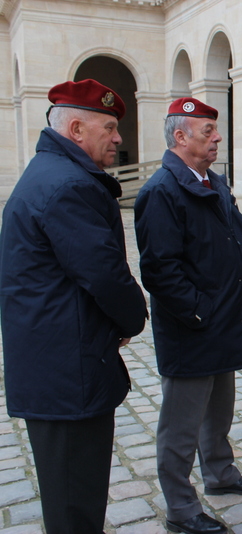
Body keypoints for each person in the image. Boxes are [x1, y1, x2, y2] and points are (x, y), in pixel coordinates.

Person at [0, 79, 148, 533]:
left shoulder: (50, 172)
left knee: (73, 497)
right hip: (67, 372)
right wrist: (133, 317)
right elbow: (103, 273)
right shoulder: (68, 185)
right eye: (110, 127)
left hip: (56, 362)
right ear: (78, 129)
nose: (118, 138)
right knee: (74, 504)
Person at [134, 98, 242, 534]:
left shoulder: (210, 180)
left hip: (224, 321)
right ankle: (180, 508)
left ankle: (220, 473)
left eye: (215, 130)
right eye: (207, 130)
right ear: (180, 136)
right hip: (194, 328)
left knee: (220, 410)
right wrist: (200, 313)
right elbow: (160, 270)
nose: (217, 138)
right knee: (181, 426)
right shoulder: (161, 190)